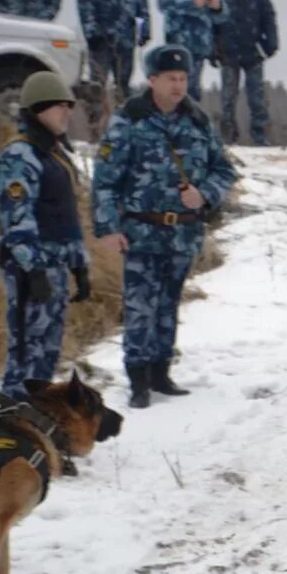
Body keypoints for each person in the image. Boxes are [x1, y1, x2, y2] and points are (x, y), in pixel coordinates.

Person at [91, 45, 238, 409]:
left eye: (183, 78)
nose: (178, 85)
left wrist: (204, 195)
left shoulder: (198, 120)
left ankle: (161, 370)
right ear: (152, 80)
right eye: (170, 78)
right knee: (141, 305)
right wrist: (108, 227)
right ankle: (138, 377)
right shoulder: (129, 119)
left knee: (169, 303)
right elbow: (106, 180)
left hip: (183, 232)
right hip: (141, 231)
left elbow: (224, 169)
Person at [0, 71, 90, 402]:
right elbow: (17, 221)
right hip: (30, 273)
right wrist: (32, 271)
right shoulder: (20, 156)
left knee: (47, 356)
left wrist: (79, 265)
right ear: (38, 109)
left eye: (68, 106)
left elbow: (66, 216)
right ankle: (10, 426)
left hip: (55, 268)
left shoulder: (53, 154)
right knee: (25, 356)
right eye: (60, 106)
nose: (67, 113)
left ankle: (37, 429)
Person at [214, 0, 278, 146]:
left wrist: (271, 42)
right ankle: (228, 138)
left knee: (257, 99)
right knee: (228, 99)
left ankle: (261, 137)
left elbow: (268, 15)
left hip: (252, 50)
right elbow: (208, 22)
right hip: (227, 52)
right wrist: (212, 50)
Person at [157, 0, 228, 108]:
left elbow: (224, 15)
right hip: (179, 45)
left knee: (194, 93)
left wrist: (217, 8)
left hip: (200, 47)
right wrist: (191, 3)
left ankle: (190, 129)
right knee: (176, 91)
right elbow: (163, 3)